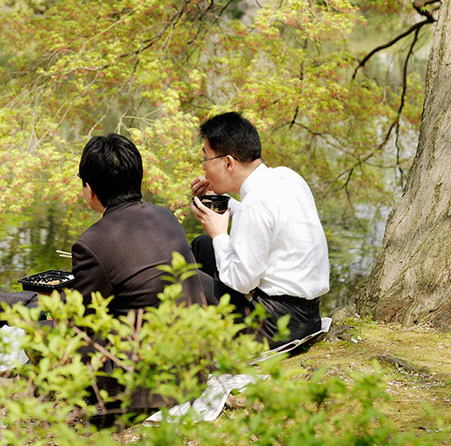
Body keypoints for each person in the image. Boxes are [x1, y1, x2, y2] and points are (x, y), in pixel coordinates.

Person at [190, 111, 330, 347]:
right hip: (308, 315)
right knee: (202, 246)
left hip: (275, 325)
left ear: (228, 162)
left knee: (183, 279)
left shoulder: (254, 205)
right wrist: (218, 200)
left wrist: (219, 235)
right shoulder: (287, 177)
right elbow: (261, 219)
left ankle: (200, 346)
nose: (204, 168)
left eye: (206, 159)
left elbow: (242, 281)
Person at [72, 133, 206, 313]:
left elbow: (81, 321)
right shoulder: (165, 216)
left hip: (142, 338)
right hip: (194, 330)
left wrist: (52, 308)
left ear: (89, 189)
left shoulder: (91, 244)